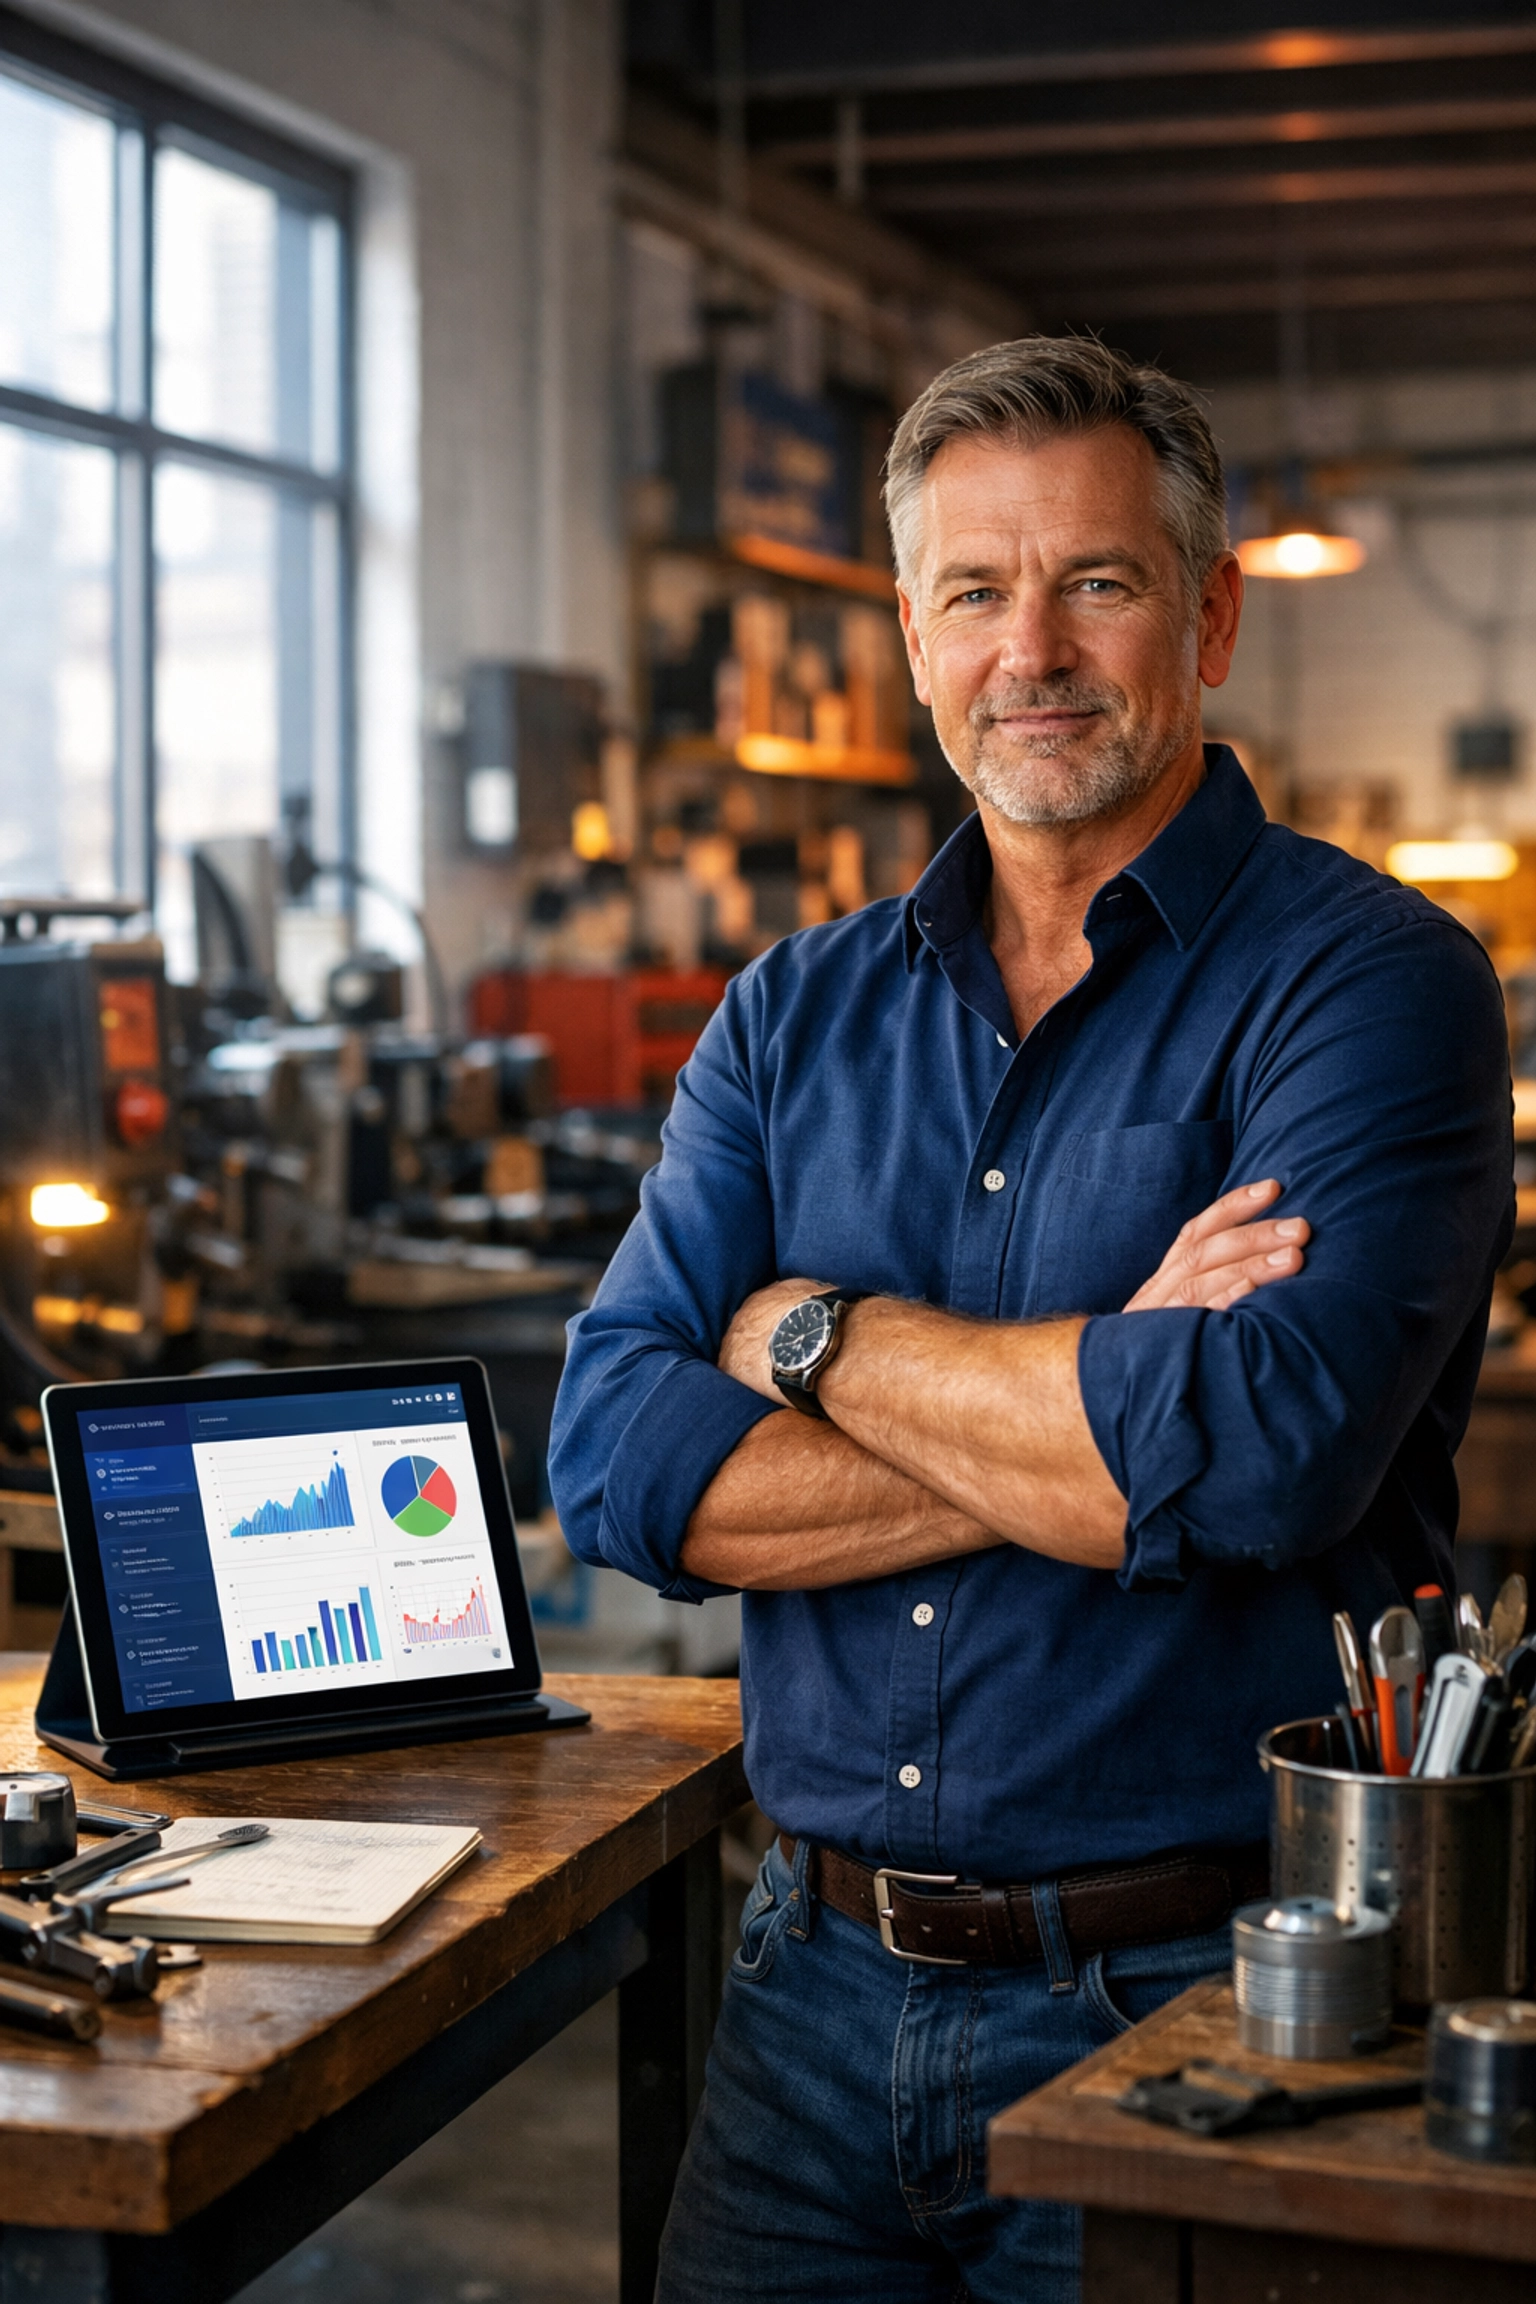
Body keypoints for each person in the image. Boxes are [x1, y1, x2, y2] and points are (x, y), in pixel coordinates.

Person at [549, 336, 1513, 2301]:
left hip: (1201, 2008)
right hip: (803, 1990)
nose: (1034, 650)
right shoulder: (789, 1015)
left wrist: (813, 1337)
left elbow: (1248, 1458)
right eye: (975, 592)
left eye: (1098, 582)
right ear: (910, 637)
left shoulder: (1377, 984)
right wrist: (1093, 1401)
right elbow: (613, 1464)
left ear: (1212, 613)